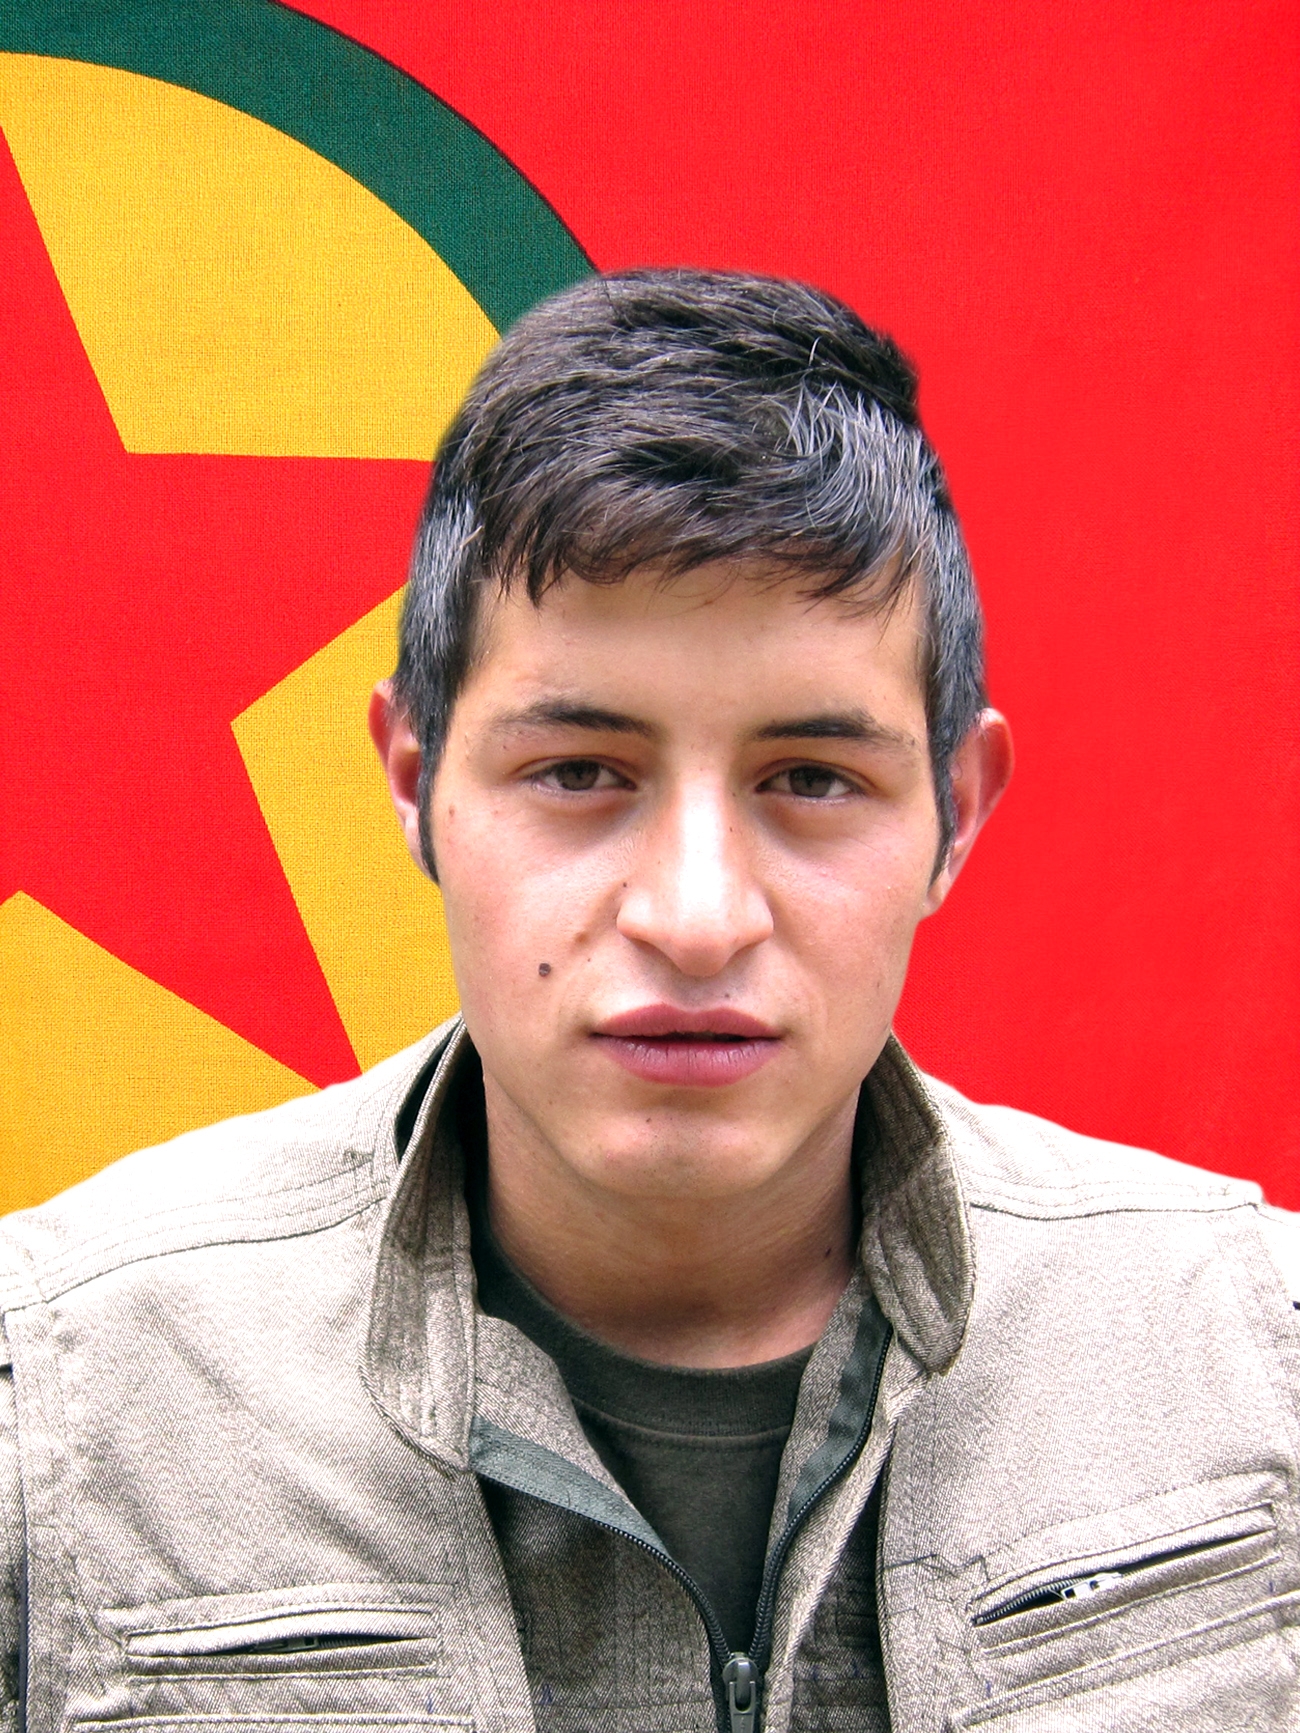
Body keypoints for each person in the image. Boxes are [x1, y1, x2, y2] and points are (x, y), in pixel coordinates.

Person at [1, 270, 1297, 1733]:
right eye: (577, 772)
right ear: (416, 783)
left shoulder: (1256, 1357)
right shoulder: (61, 1408)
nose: (695, 917)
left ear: (956, 810)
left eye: (812, 779)